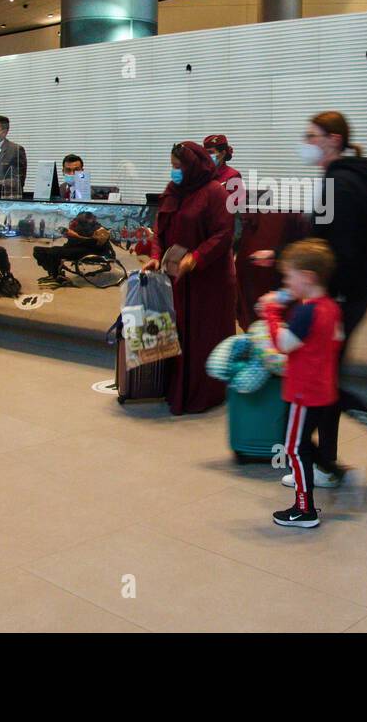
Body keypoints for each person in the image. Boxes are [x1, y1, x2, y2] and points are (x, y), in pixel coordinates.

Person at [267, 111, 367, 488]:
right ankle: (324, 464)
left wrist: (307, 289)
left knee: (323, 385)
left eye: (312, 135)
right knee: (326, 382)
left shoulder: (340, 184)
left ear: (333, 140)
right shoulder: (346, 179)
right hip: (344, 295)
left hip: (339, 297)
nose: (305, 142)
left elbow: (337, 251)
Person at [141, 142, 237, 415]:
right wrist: (156, 256)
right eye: (171, 166)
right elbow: (161, 227)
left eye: (178, 167)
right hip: (176, 278)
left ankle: (203, 394)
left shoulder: (213, 193)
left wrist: (195, 258)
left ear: (192, 166)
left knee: (202, 337)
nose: (174, 172)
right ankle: (174, 389)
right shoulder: (172, 191)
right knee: (177, 334)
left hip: (208, 281)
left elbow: (223, 235)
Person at [260, 239, 344, 528]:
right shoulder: (330, 307)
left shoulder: (307, 312)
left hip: (302, 392)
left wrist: (271, 313)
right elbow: (334, 341)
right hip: (323, 389)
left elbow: (283, 344)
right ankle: (328, 473)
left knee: (294, 448)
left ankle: (304, 508)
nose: (287, 283)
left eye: (289, 276)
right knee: (303, 444)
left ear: (307, 278)